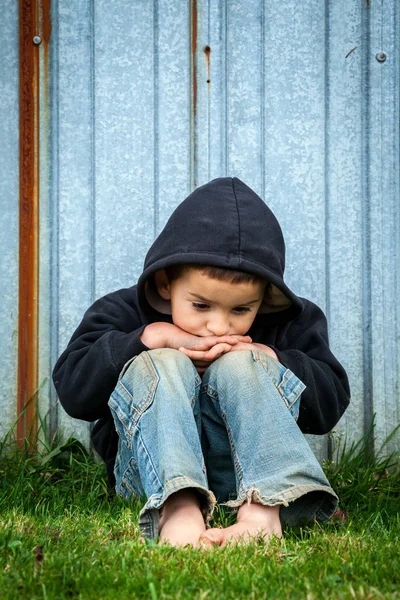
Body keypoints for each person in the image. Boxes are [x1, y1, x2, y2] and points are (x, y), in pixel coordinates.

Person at [52, 177, 350, 548]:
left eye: (241, 309)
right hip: (150, 477)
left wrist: (269, 358)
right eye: (201, 305)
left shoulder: (288, 325)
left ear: (265, 298)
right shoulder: (123, 313)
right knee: (162, 362)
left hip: (249, 478)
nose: (218, 325)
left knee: (244, 365)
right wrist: (149, 339)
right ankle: (179, 509)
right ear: (165, 284)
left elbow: (331, 400)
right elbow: (73, 391)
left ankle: (262, 514)